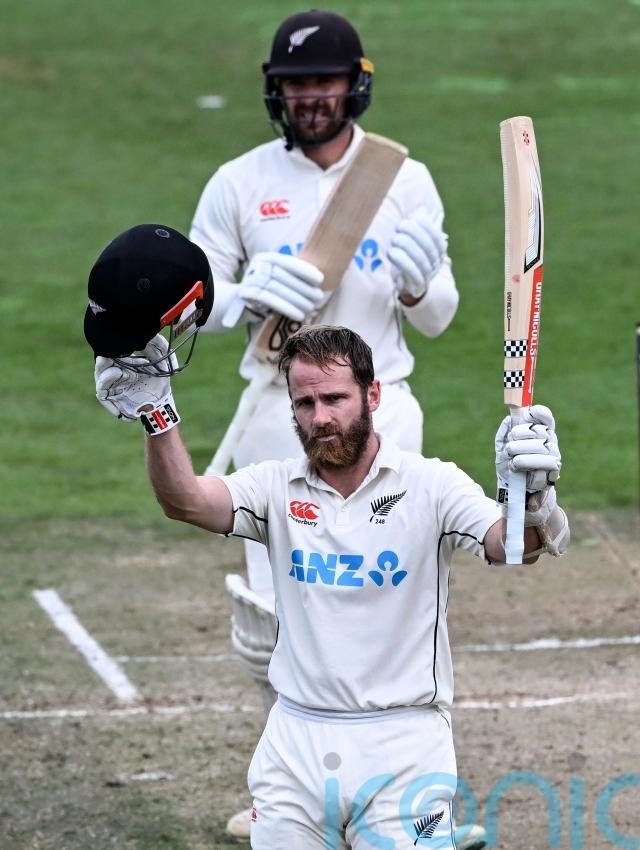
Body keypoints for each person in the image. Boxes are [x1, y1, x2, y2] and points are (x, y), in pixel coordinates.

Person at [87, 232, 569, 849]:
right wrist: (158, 417)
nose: (320, 418)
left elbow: (514, 546)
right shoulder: (273, 486)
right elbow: (185, 500)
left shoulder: (431, 484)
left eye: (335, 399)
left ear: (373, 395)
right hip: (295, 742)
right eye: (305, 403)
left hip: (403, 746)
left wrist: (532, 498)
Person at [188, 9, 467, 839]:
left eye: (326, 82)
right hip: (281, 412)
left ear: (355, 86)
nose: (312, 97)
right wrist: (245, 295)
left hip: (386, 415)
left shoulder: (402, 178)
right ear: (276, 92)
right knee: (269, 613)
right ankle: (285, 784)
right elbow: (195, 295)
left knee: (396, 600)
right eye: (297, 84)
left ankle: (413, 787)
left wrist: (418, 285)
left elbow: (440, 315)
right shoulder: (239, 182)